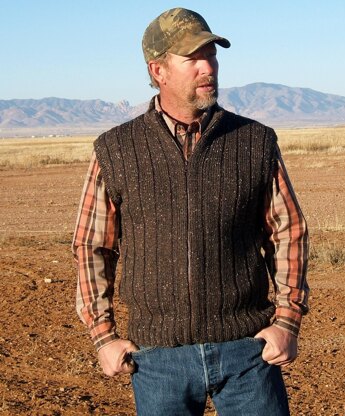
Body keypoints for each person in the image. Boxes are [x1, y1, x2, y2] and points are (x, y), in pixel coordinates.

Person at [72, 7, 309, 416]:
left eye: (211, 55)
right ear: (158, 70)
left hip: (248, 353)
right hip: (158, 359)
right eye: (193, 58)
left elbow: (288, 231)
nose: (208, 67)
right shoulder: (116, 149)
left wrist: (287, 320)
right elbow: (92, 246)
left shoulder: (254, 141)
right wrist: (103, 335)